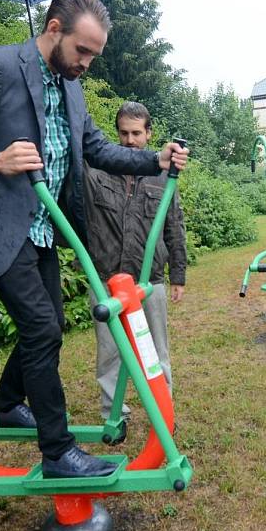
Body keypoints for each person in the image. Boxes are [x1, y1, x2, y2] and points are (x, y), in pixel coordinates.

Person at [0, 0, 189, 479]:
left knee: (52, 324)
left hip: (42, 228)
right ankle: (59, 453)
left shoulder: (71, 87)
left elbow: (99, 150)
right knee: (41, 330)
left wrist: (155, 159)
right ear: (54, 29)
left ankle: (5, 402)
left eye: (94, 55)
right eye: (82, 51)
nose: (86, 63)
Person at [83, 102, 186, 439]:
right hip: (106, 279)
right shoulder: (96, 170)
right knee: (110, 352)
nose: (130, 140)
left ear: (149, 134)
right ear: (117, 133)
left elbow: (174, 225)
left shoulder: (163, 174)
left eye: (137, 133)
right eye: (124, 133)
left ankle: (163, 411)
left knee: (156, 350)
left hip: (149, 279)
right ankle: (114, 416)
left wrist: (178, 275)